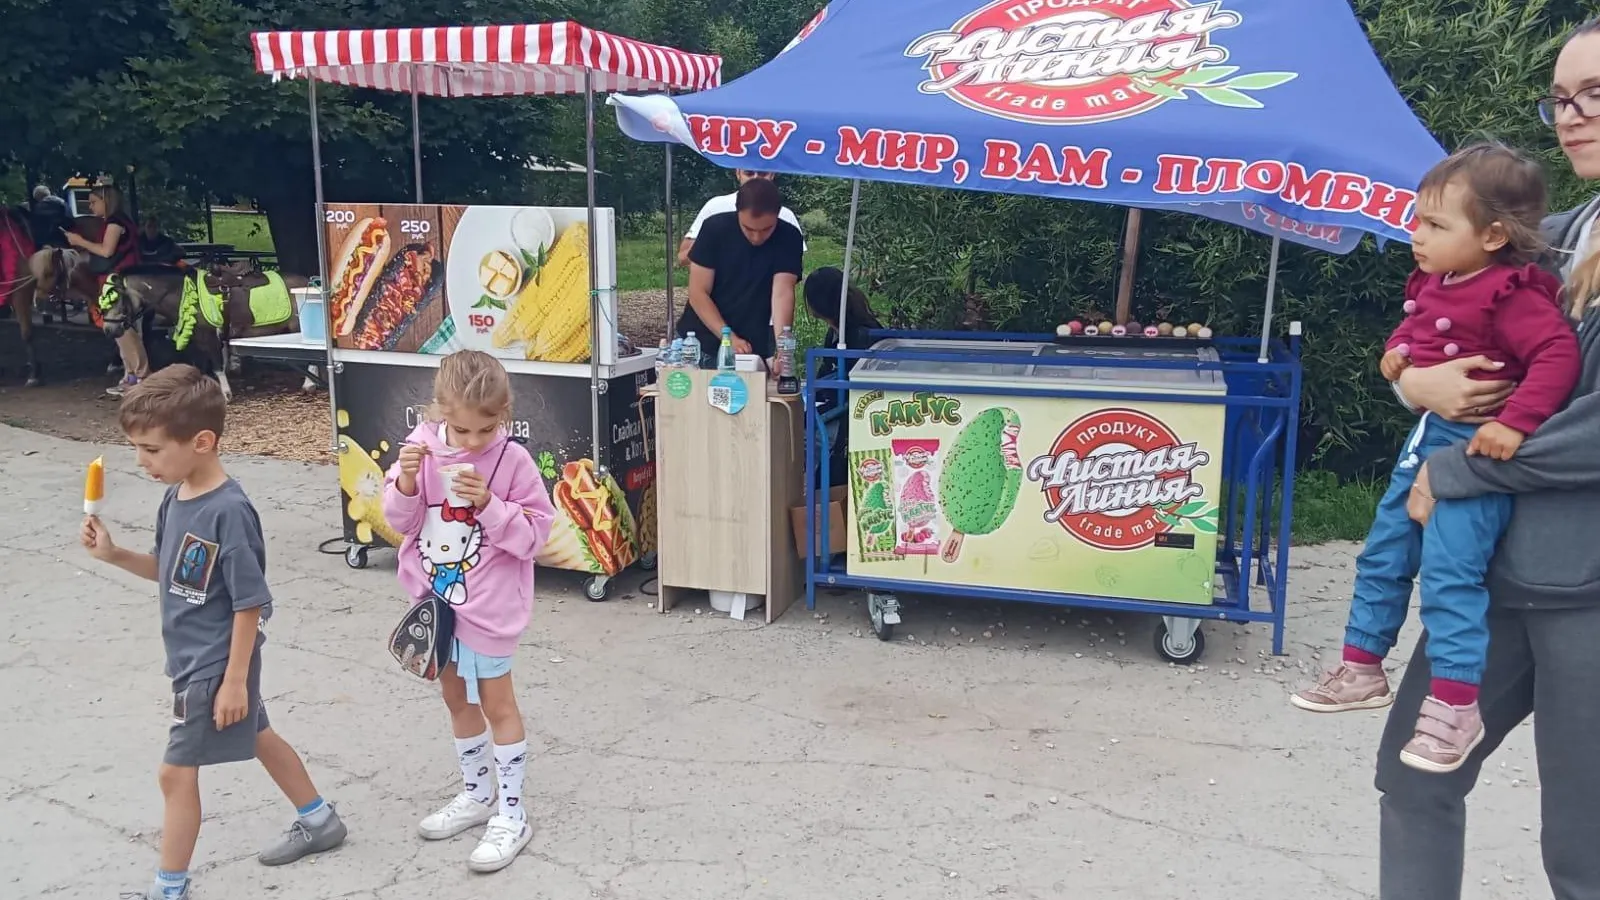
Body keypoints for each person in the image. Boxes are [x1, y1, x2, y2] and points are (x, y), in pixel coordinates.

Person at [1373, 16, 1600, 898]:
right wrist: (1415, 388)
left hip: (1589, 595)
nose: (1573, 116)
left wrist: (1460, 468)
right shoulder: (1557, 236)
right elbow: (1448, 344)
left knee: (1584, 850)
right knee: (1412, 778)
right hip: (1495, 574)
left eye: (1595, 94)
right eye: (1561, 98)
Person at [1291, 143, 1580, 774]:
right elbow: (1416, 325)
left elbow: (1558, 356)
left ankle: (1455, 707)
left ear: (1495, 235)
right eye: (1419, 220)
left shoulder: (1513, 295)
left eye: (1435, 225)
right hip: (1424, 440)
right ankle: (1363, 665)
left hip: (1477, 455)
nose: (1415, 235)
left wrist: (1514, 422)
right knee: (1383, 553)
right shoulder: (1438, 279)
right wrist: (1398, 354)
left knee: (1451, 576)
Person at [79, 365, 347, 900]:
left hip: (214, 665)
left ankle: (169, 887)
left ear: (202, 441)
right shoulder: (175, 496)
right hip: (194, 659)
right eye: (136, 449)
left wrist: (232, 681)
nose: (141, 462)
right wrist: (112, 555)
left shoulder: (229, 512)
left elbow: (251, 603)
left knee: (174, 777)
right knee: (260, 735)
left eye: (152, 450)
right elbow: (167, 569)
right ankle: (320, 821)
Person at [381, 350, 556, 873]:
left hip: (491, 610)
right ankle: (478, 794)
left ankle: (511, 812)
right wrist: (406, 483)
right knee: (456, 698)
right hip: (437, 606)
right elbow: (400, 523)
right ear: (438, 412)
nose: (473, 442)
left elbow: (534, 539)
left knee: (498, 705)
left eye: (485, 429)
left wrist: (490, 506)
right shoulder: (422, 448)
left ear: (503, 414)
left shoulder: (513, 462)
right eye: (459, 429)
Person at [681, 177, 805, 365]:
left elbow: (782, 294)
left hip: (751, 346)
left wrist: (782, 348)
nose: (756, 237)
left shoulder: (789, 237)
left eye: (766, 229)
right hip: (699, 344)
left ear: (778, 215)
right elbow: (698, 292)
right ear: (737, 212)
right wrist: (728, 337)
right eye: (748, 228)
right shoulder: (715, 229)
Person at [60, 185, 144, 395]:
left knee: (124, 329)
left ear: (106, 201)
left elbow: (106, 252)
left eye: (93, 201)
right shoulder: (114, 222)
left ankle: (140, 375)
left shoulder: (116, 223)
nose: (90, 206)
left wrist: (80, 241)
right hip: (114, 278)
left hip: (119, 279)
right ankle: (130, 375)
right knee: (120, 331)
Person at [803, 266, 882, 486]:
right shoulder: (839, 331)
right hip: (838, 403)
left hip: (850, 412)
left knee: (800, 431)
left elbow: (847, 381)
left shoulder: (856, 334)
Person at [677, 169, 804, 267]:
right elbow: (683, 257)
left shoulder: (786, 216)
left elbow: (791, 266)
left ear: (772, 174)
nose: (755, 178)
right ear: (738, 173)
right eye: (749, 173)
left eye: (762, 173)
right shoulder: (715, 207)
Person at [26, 184, 70, 249]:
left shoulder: (38, 208)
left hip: (48, 242)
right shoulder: (63, 202)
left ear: (37, 197)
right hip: (67, 237)